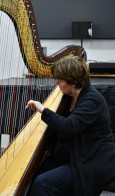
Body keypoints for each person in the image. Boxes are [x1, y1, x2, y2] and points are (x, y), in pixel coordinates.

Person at [25, 55, 115, 196]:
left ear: (73, 83)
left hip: (92, 160)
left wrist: (43, 110)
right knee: (32, 173)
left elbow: (69, 126)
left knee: (43, 182)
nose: (56, 84)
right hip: (75, 154)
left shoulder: (92, 99)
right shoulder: (70, 97)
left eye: (60, 80)